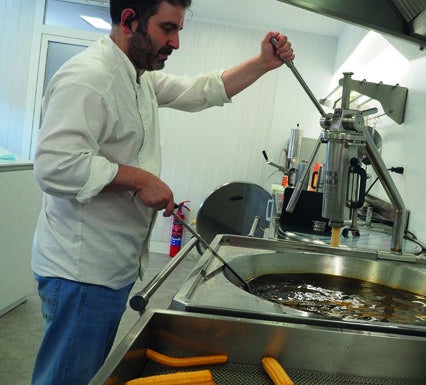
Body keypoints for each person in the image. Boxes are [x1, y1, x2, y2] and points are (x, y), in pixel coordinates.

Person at [30, 0, 295, 384]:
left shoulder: (137, 77)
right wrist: (140, 179)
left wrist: (262, 64)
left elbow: (200, 90)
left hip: (107, 268)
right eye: (167, 29)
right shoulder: (88, 77)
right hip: (81, 271)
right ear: (128, 21)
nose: (175, 42)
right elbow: (55, 165)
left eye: (179, 31)